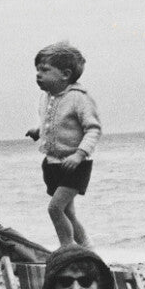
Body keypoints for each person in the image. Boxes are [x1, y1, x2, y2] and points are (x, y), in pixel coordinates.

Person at [25, 42, 101, 248]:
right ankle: (86, 247)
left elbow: (93, 129)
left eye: (45, 70)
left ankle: (67, 247)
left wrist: (79, 154)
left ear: (65, 74)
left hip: (75, 164)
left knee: (55, 208)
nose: (38, 75)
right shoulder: (45, 98)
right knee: (68, 212)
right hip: (52, 163)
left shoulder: (78, 98)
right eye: (37, 70)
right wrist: (38, 130)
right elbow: (53, 124)